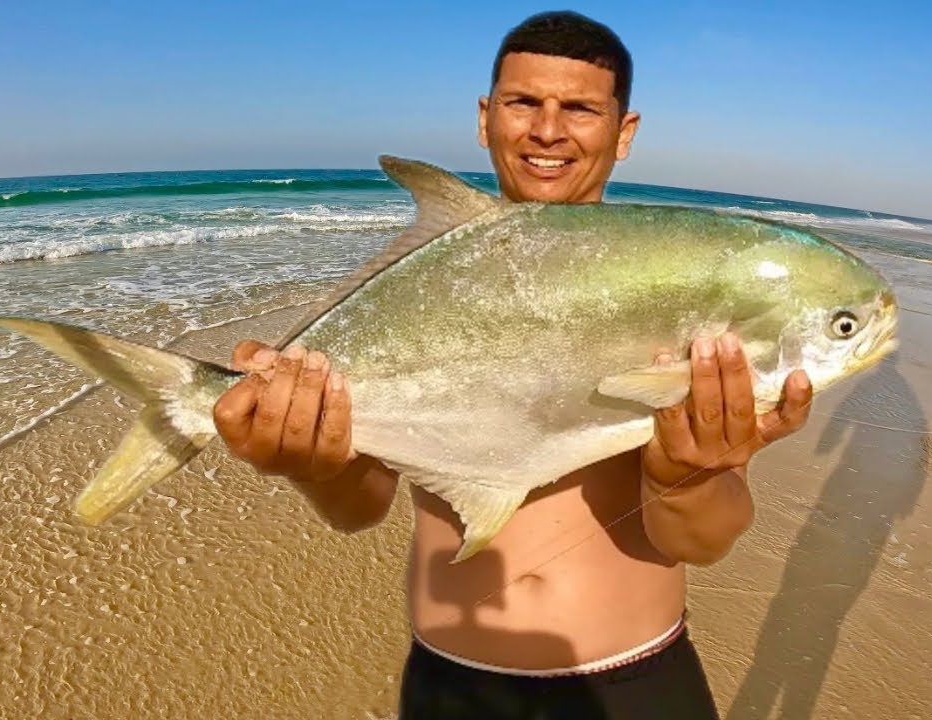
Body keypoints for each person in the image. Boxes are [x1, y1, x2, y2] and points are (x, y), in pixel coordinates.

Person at [211, 10, 814, 719]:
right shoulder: (418, 283)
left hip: (631, 685)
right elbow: (359, 506)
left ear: (624, 133)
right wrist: (307, 464)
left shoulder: (671, 286)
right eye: (523, 102)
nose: (548, 130)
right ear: (485, 117)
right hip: (449, 684)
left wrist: (689, 479)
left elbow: (701, 541)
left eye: (581, 108)